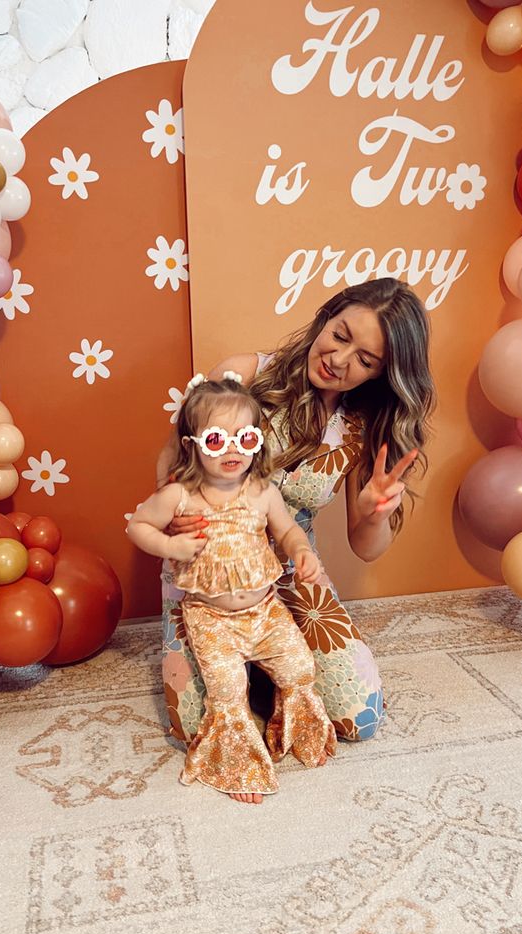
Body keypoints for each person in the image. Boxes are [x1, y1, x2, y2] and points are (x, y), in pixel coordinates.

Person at [158, 278, 436, 746]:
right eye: (340, 336)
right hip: (207, 573)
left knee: (360, 718)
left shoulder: (361, 428)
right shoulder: (242, 376)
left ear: (381, 374)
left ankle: (266, 663)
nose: (339, 360)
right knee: (201, 732)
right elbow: (172, 460)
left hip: (287, 574)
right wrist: (176, 514)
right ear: (326, 317)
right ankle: (255, 669)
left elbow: (366, 548)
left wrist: (373, 514)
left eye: (366, 360)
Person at [127, 373, 337, 804]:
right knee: (226, 688)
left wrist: (302, 553)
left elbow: (288, 531)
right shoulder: (180, 496)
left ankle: (293, 729)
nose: (234, 450)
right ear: (191, 445)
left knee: (299, 668)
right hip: (210, 618)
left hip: (265, 611)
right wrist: (169, 544)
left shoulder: (262, 491)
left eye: (245, 437)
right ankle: (236, 760)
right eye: (218, 440)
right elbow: (137, 525)